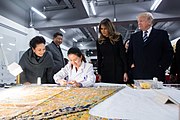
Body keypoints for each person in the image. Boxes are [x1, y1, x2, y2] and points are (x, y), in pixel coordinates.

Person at [128, 12, 174, 82]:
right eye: (138, 21)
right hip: (138, 74)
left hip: (156, 74)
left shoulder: (161, 34)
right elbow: (130, 53)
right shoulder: (134, 37)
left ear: (149, 22)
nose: (139, 23)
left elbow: (168, 53)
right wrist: (131, 65)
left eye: (141, 21)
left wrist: (162, 67)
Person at [96, 18, 128, 84]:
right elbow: (99, 58)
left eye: (105, 29)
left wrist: (125, 71)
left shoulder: (118, 38)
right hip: (105, 69)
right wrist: (99, 73)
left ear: (109, 28)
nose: (103, 31)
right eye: (101, 29)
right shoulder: (99, 41)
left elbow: (122, 55)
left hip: (118, 68)